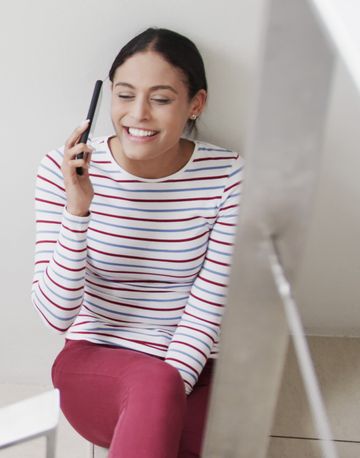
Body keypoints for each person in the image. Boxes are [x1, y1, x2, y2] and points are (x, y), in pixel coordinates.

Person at [32, 28, 244, 457]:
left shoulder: (228, 178)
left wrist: (164, 397)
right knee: (157, 400)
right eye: (125, 95)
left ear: (195, 104)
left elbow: (207, 308)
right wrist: (78, 209)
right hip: (95, 360)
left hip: (194, 367)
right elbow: (56, 316)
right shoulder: (62, 168)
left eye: (161, 99)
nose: (138, 114)